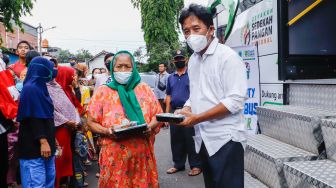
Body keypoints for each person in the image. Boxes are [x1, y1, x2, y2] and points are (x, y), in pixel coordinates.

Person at [176, 4, 247, 188]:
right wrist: (187, 108)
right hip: (204, 139)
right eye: (186, 31)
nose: (191, 35)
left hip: (226, 139)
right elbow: (196, 94)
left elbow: (235, 101)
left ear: (211, 29)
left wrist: (197, 118)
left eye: (196, 28)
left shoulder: (227, 57)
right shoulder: (193, 60)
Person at [87, 51, 163, 187]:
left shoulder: (144, 89)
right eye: (119, 67)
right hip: (114, 157)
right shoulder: (103, 91)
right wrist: (107, 131)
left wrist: (149, 127)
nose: (123, 70)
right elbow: (91, 122)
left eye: (127, 66)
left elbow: (157, 115)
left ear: (133, 68)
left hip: (141, 155)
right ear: (112, 69)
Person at [17, 57, 57, 188]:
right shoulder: (31, 88)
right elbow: (33, 117)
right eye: (50, 69)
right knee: (36, 183)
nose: (52, 72)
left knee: (48, 180)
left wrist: (52, 140)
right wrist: (43, 141)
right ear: (41, 70)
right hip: (34, 146)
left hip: (46, 143)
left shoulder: (40, 88)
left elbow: (46, 117)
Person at [165, 49, 202, 176]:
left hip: (189, 111)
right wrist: (166, 114)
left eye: (181, 58)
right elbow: (168, 95)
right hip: (174, 112)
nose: (179, 60)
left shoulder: (192, 75)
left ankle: (196, 166)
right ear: (173, 61)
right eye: (177, 59)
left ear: (186, 60)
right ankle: (178, 165)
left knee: (190, 139)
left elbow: (197, 93)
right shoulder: (170, 78)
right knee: (176, 139)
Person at [47, 63, 80, 188]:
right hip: (59, 128)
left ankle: (63, 181)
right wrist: (66, 121)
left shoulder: (57, 87)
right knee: (58, 158)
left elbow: (72, 106)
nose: (74, 77)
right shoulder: (49, 88)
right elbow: (52, 110)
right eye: (72, 75)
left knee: (65, 157)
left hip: (68, 128)